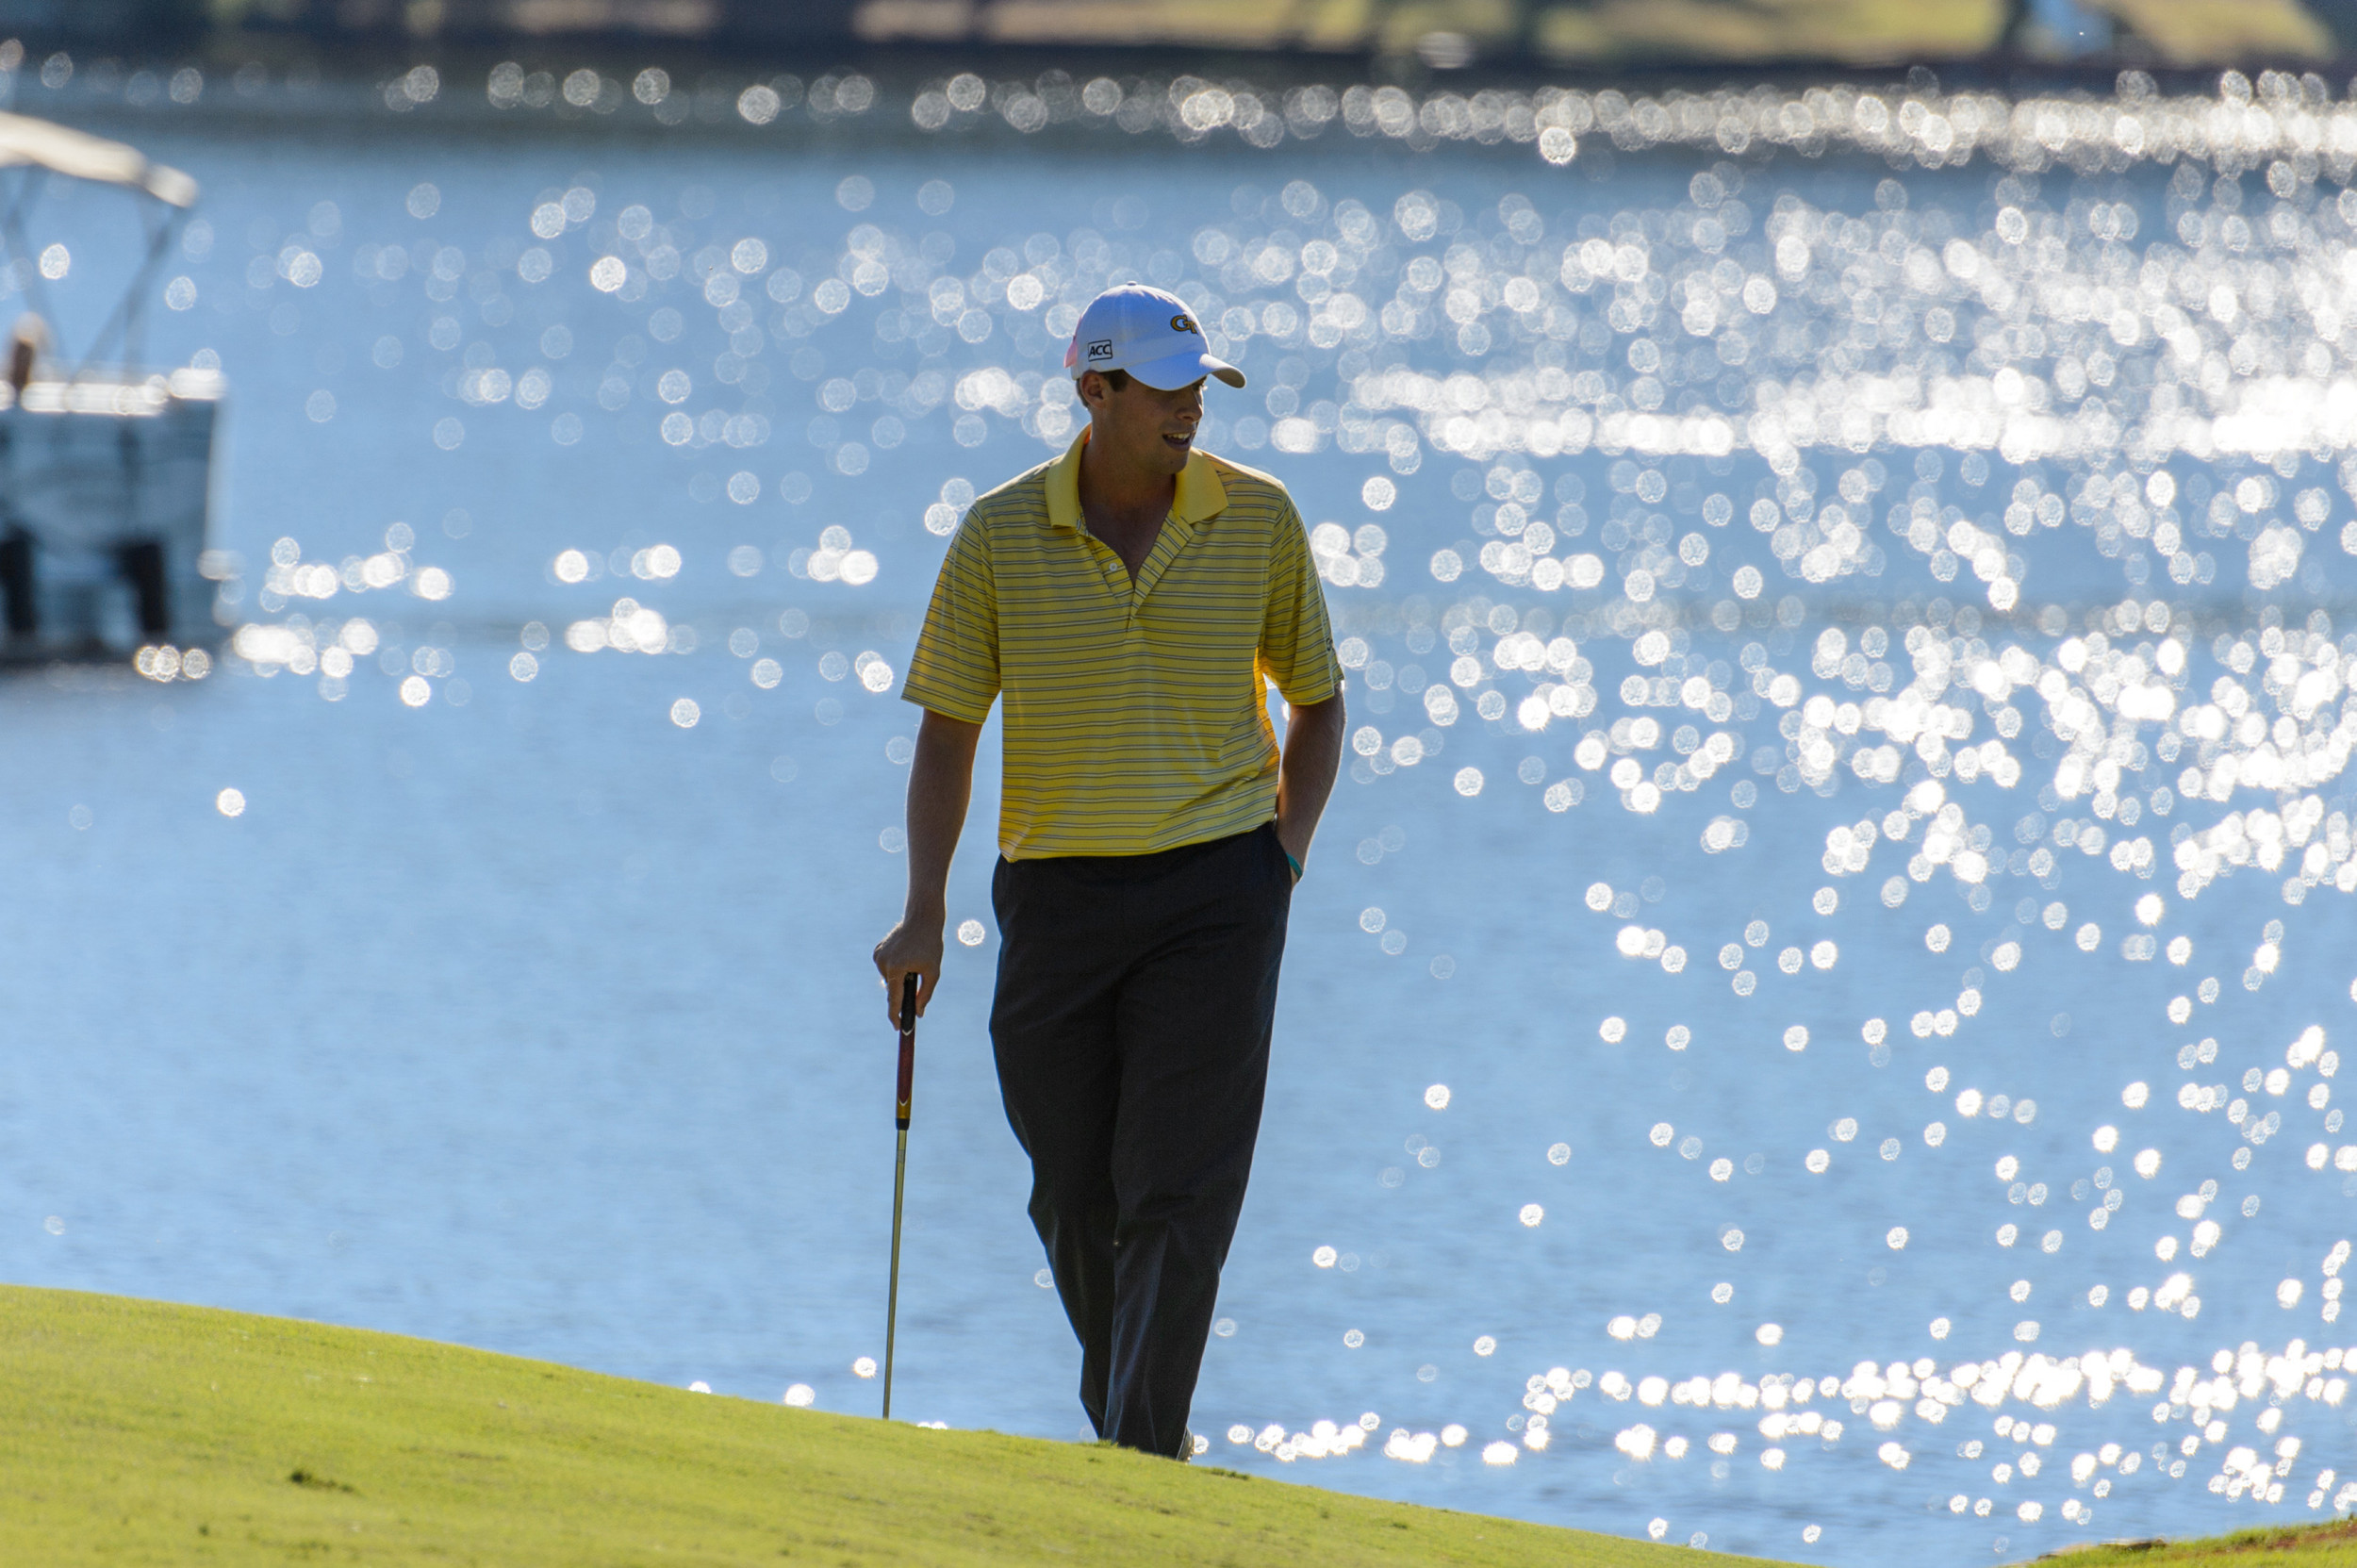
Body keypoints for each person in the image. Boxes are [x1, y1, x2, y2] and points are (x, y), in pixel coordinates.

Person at [873, 283, 1346, 1459]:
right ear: (1095, 389)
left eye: (1201, 387)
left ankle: (1138, 1456)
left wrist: (1281, 859)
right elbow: (947, 729)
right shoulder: (997, 531)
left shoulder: (1257, 515)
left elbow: (1318, 702)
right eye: (1167, 389)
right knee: (1073, 1190)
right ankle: (1141, 1434)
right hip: (1056, 898)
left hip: (1218, 890)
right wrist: (924, 909)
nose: (1193, 408)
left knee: (1177, 1190)